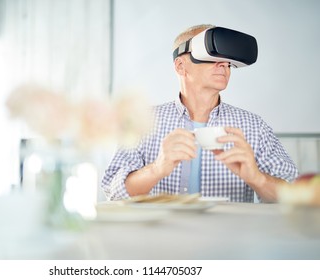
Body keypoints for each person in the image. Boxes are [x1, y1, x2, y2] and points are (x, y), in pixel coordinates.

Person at [101, 24, 298, 203]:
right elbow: (113, 191)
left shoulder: (254, 126)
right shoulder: (142, 121)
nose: (224, 65)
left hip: (229, 240)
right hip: (159, 240)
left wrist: (256, 177)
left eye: (228, 61)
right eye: (212, 57)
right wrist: (157, 168)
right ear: (180, 66)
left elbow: (294, 196)